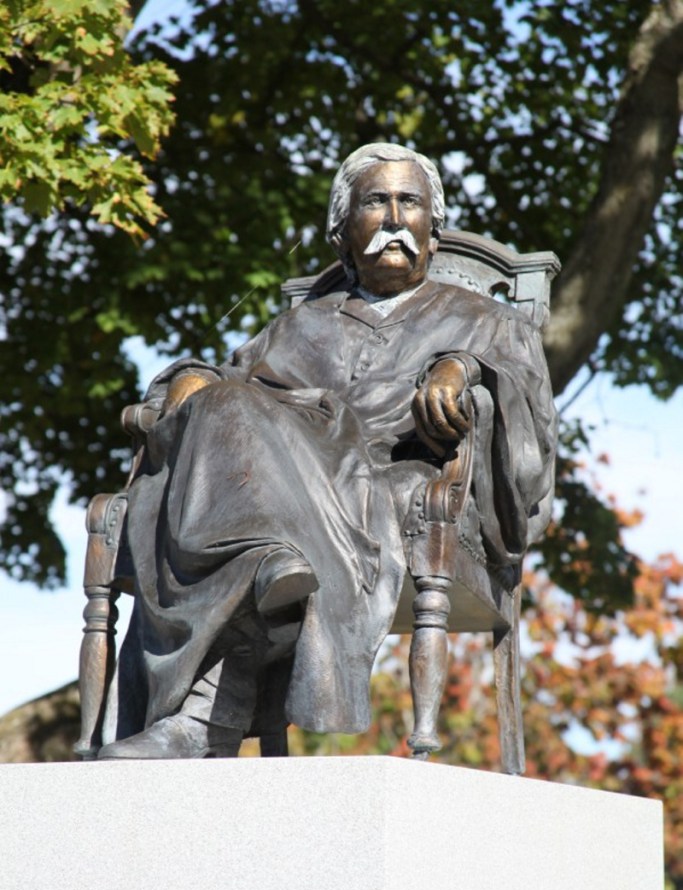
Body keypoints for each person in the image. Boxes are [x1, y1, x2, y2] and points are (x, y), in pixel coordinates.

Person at [97, 143, 557, 760]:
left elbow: (532, 428)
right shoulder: (298, 326)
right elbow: (234, 383)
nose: (395, 218)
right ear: (342, 232)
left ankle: (206, 716)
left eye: (409, 202)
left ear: (434, 230)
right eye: (376, 201)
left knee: (251, 518)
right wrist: (189, 381)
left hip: (387, 480)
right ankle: (265, 574)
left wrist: (466, 370)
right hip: (289, 482)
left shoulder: (488, 321)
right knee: (216, 407)